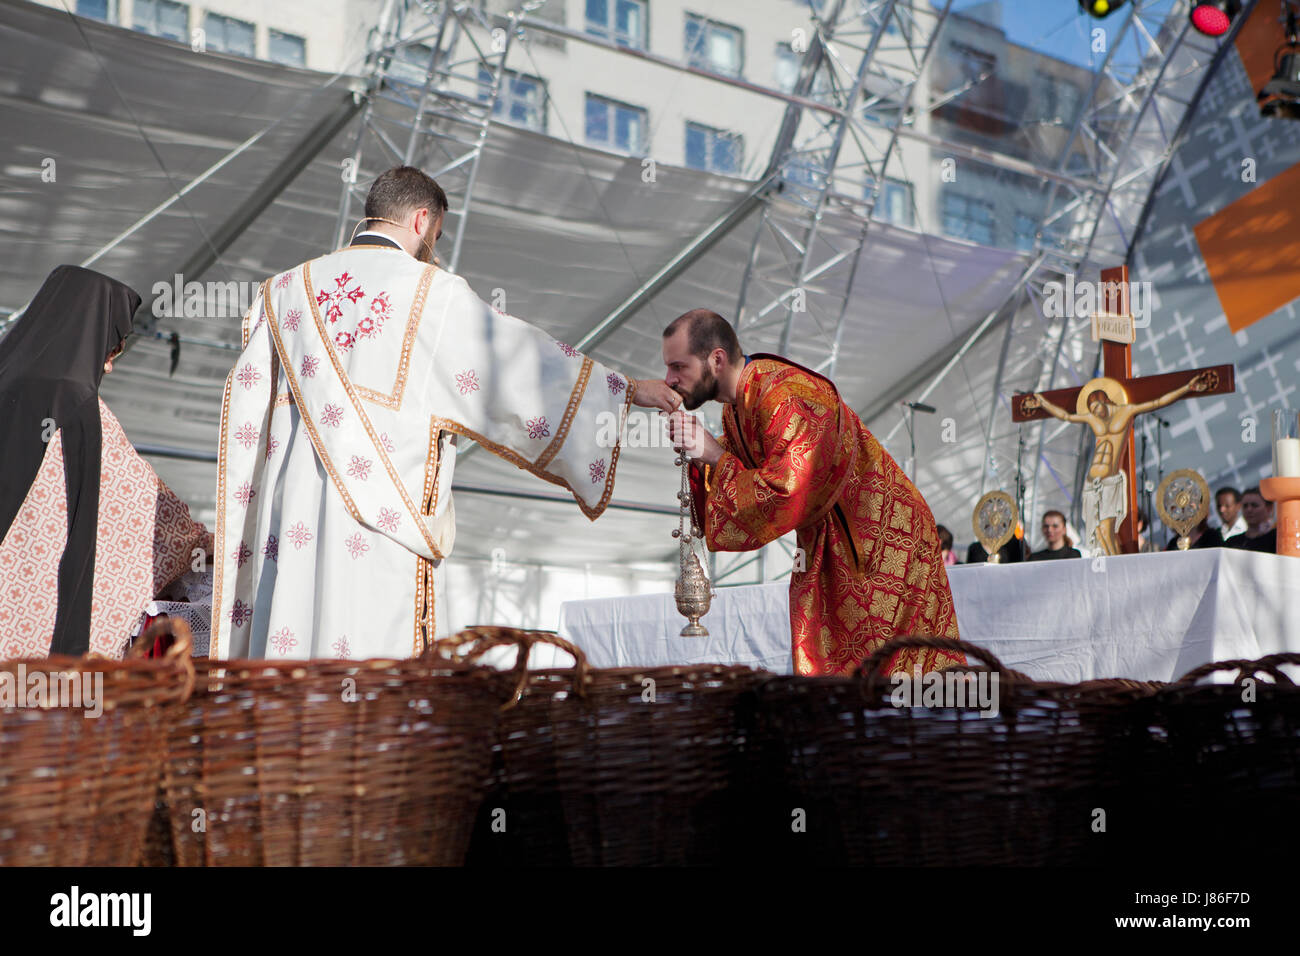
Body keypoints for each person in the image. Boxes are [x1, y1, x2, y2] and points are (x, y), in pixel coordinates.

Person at [213, 166, 678, 659]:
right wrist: (623, 390)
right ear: (420, 221)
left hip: (291, 521)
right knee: (370, 666)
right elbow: (517, 361)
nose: (432, 248)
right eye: (435, 236)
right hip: (381, 523)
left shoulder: (283, 291)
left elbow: (249, 411)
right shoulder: (430, 292)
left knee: (291, 650)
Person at [660, 309, 964, 677]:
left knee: (891, 673)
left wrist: (712, 454)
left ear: (716, 359)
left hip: (881, 543)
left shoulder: (783, 395)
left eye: (678, 367)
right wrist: (704, 455)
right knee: (842, 671)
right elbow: (748, 464)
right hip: (834, 543)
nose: (670, 379)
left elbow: (786, 489)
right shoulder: (738, 407)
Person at [0, 266, 210, 658]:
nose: (110, 364)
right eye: (111, 346)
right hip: (29, 623)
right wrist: (202, 544)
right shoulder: (77, 402)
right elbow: (138, 509)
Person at [1223, 487, 1276, 553]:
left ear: (1269, 508)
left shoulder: (1277, 539)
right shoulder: (1232, 543)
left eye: (1254, 505)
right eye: (1245, 506)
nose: (1249, 510)